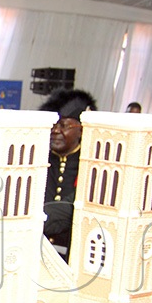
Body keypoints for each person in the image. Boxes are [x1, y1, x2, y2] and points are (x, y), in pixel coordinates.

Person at [40, 88, 97, 258]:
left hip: (72, 252)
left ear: (81, 129)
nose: (56, 131)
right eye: (53, 125)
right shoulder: (39, 158)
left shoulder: (90, 164)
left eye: (63, 125)